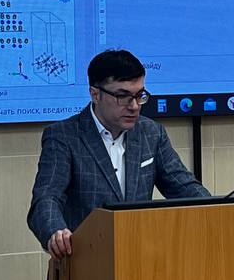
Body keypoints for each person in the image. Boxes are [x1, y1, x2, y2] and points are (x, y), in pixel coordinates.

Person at [27, 49, 209, 259]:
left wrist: (218, 210)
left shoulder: (151, 133)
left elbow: (183, 187)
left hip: (140, 259)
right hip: (85, 261)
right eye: (123, 96)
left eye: (139, 96)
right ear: (95, 94)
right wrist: (56, 232)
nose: (134, 106)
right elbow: (46, 198)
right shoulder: (64, 136)